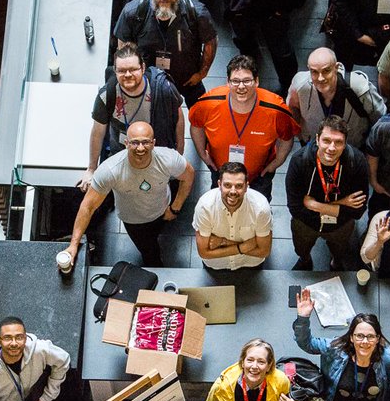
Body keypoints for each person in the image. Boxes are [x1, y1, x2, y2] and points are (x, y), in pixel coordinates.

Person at [63, 120, 195, 268]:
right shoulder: (111, 170)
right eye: (135, 143)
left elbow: (188, 175)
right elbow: (88, 207)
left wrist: (175, 208)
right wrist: (74, 244)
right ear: (126, 143)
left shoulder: (168, 159)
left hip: (163, 210)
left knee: (163, 236)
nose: (140, 148)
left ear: (153, 143)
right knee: (150, 252)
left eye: (145, 142)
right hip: (134, 221)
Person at [187, 56, 299, 201]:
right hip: (220, 171)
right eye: (235, 81)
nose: (241, 86)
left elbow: (287, 137)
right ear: (228, 82)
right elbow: (196, 125)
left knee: (259, 208)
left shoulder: (276, 109)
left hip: (259, 176)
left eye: (247, 80)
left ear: (256, 81)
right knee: (219, 204)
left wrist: (276, 162)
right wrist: (202, 154)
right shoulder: (208, 103)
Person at [113, 0, 218, 106]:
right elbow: (124, 45)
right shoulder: (132, 12)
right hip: (148, 80)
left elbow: (211, 41)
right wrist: (135, 76)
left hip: (187, 77)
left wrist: (202, 73)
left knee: (202, 112)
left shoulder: (197, 13)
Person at [83, 45, 185, 182]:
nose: (127, 75)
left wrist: (179, 153)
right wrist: (91, 169)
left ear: (142, 68)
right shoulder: (107, 95)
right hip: (122, 151)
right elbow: (97, 132)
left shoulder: (162, 89)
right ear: (115, 71)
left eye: (133, 69)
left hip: (156, 150)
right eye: (122, 71)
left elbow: (178, 118)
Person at [293, 296, 390, 401]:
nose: (365, 341)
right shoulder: (336, 349)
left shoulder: (389, 357)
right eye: (359, 336)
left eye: (370, 336)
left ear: (377, 339)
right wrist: (303, 318)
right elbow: (307, 343)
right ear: (351, 337)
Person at [284, 115, 369, 270]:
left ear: (345, 144)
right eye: (326, 140)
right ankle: (305, 259)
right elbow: (295, 208)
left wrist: (313, 204)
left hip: (340, 225)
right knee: (302, 248)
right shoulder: (299, 161)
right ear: (317, 139)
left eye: (338, 142)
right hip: (306, 223)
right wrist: (342, 204)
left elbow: (358, 211)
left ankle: (336, 261)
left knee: (339, 250)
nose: (331, 148)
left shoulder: (356, 162)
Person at [288, 48, 385, 149]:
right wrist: (303, 138)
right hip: (316, 148)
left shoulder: (358, 87)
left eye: (326, 71)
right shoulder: (300, 86)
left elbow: (379, 117)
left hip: (353, 147)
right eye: (314, 72)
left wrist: (372, 147)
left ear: (336, 67)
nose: (320, 78)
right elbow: (292, 113)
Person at [192, 162, 274, 270]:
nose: (233, 191)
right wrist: (242, 247)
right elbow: (204, 253)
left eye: (239, 186)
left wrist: (223, 242)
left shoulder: (261, 208)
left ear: (246, 186)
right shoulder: (205, 207)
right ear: (219, 185)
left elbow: (264, 251)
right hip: (216, 266)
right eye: (227, 185)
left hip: (250, 265)